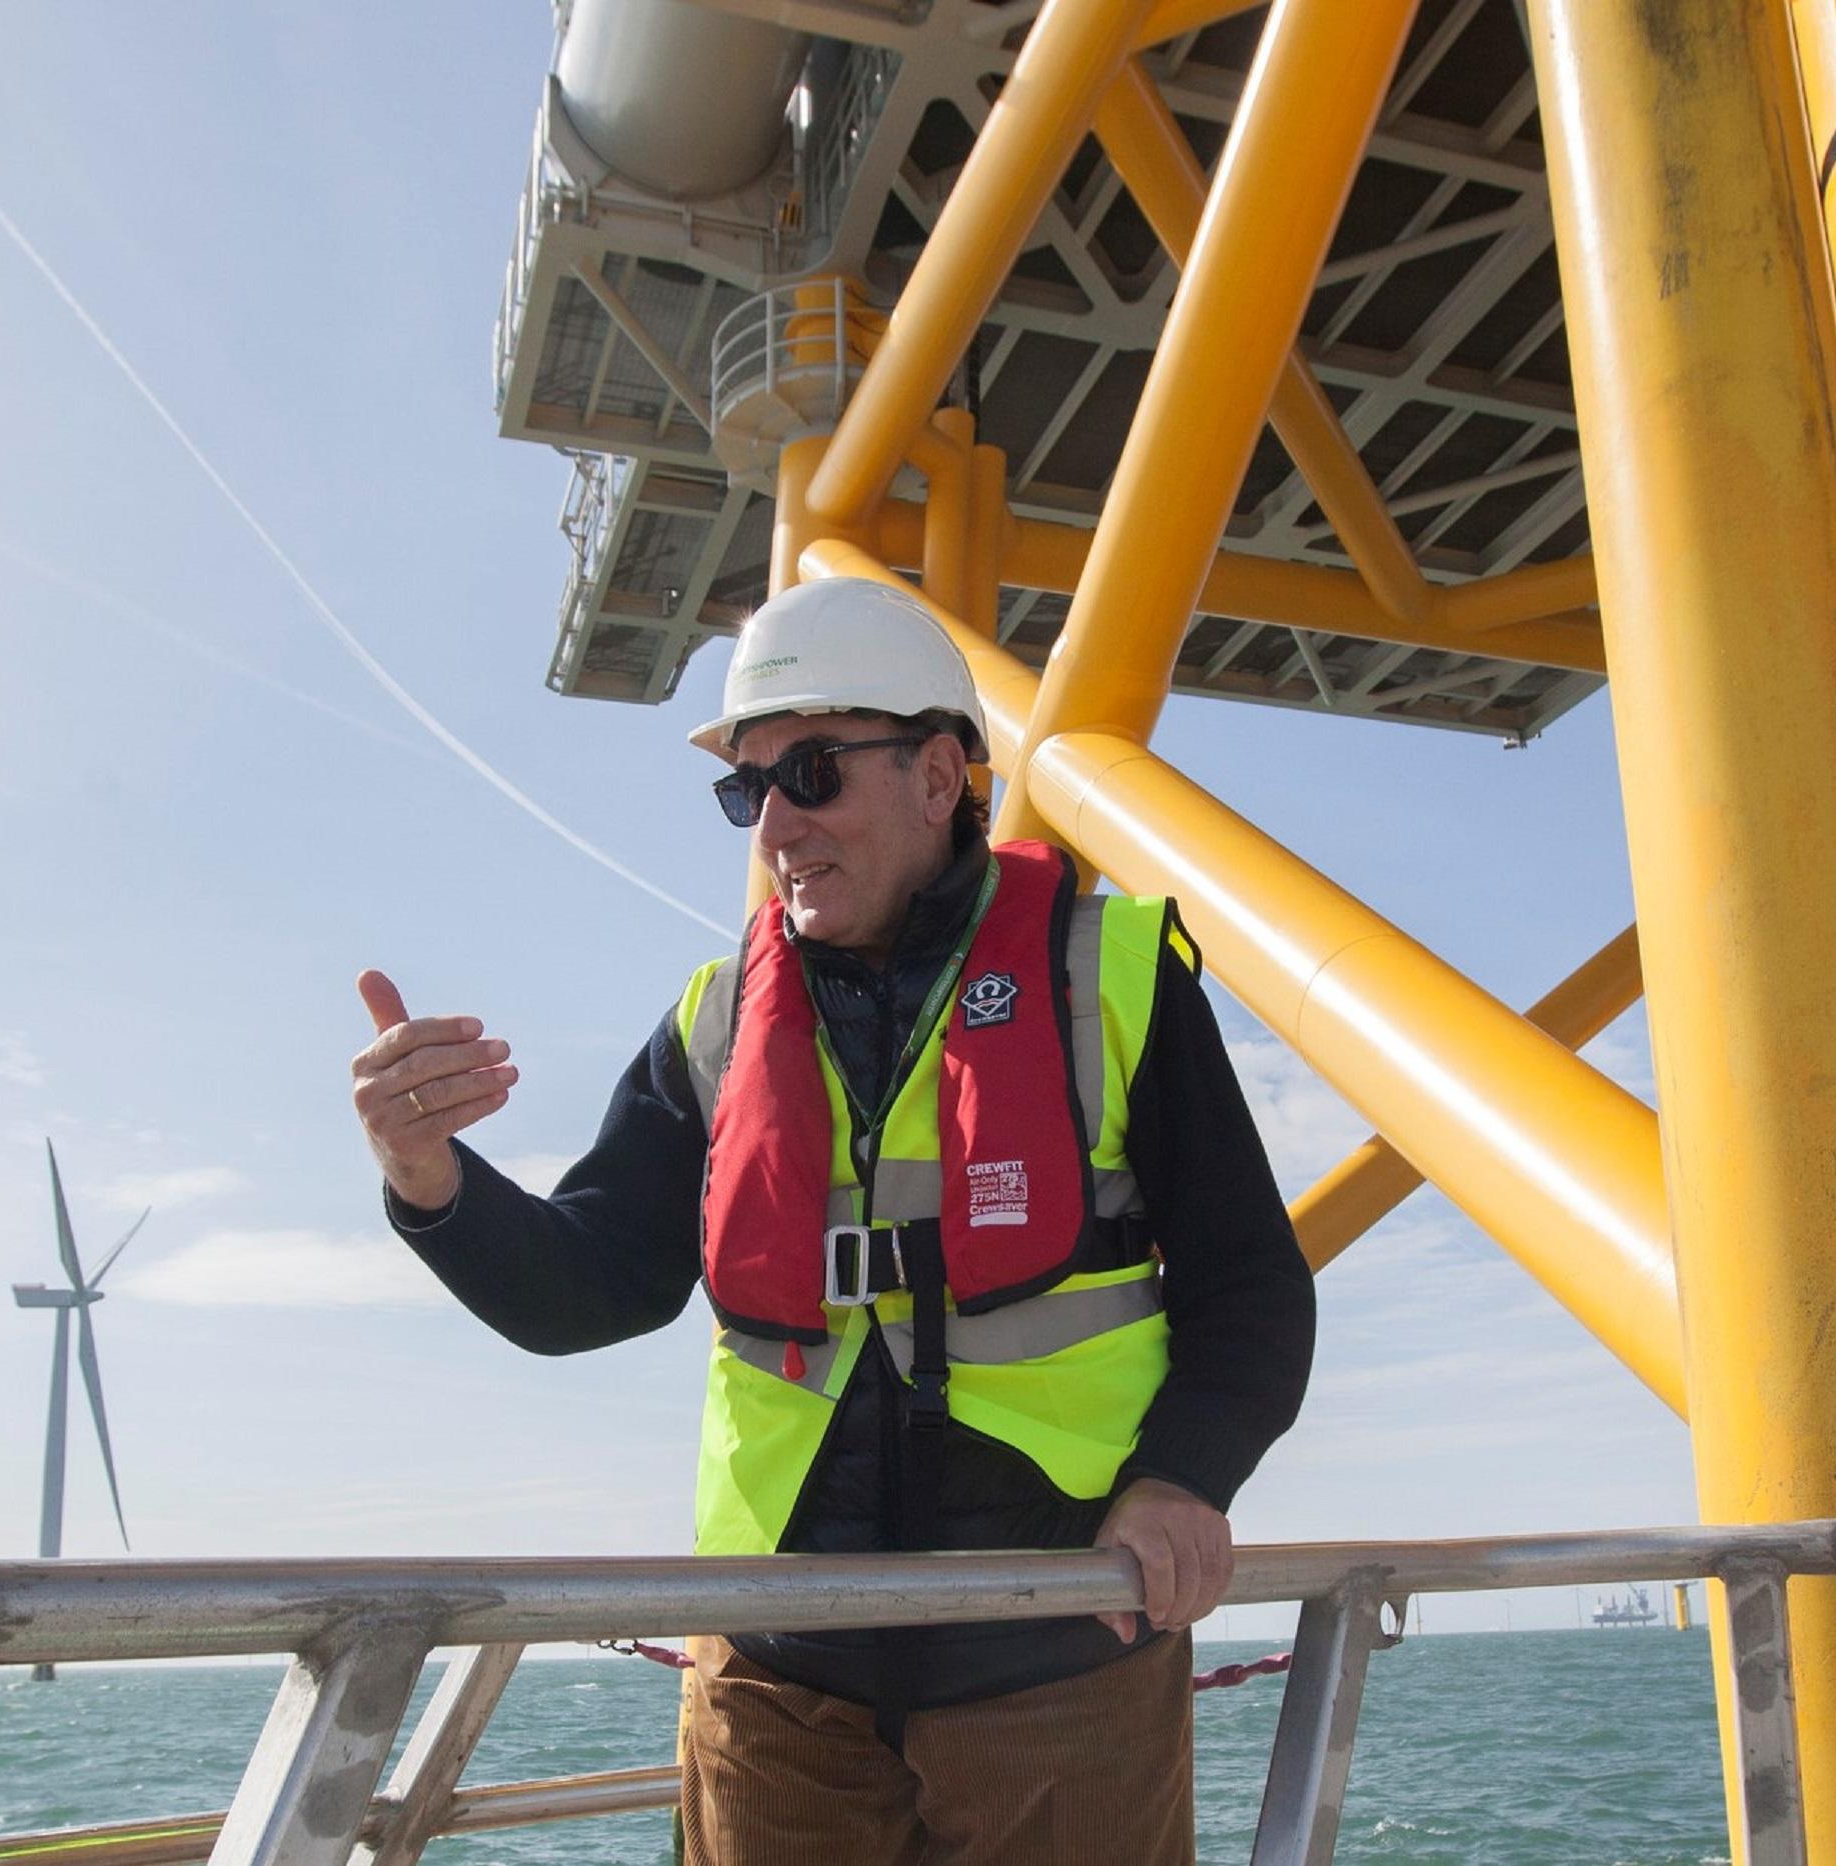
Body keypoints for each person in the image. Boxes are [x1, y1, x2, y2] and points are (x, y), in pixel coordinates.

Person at [349, 576, 1314, 1864]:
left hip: (1060, 1648)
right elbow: (589, 1288)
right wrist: (430, 1180)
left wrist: (1188, 1479)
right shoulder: (715, 1023)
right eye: (748, 791)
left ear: (935, 774)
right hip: (777, 1669)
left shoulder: (1114, 976)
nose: (775, 826)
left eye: (809, 771)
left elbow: (1250, 1284)